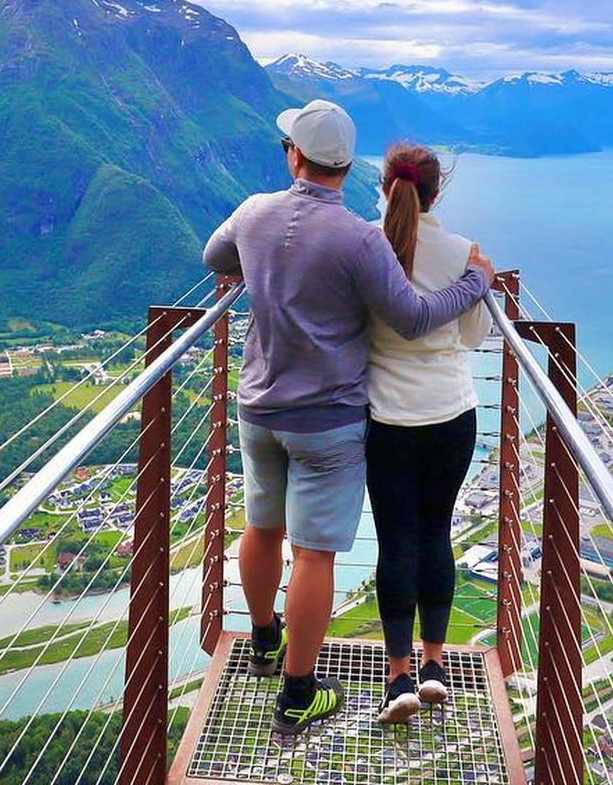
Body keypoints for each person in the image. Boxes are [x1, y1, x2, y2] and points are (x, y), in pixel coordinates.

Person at [204, 99, 495, 735]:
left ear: (295, 155)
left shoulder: (254, 212)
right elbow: (414, 319)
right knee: (314, 554)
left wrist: (252, 267)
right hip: (330, 417)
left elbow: (214, 258)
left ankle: (262, 640)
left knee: (260, 526)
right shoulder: (360, 239)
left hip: (258, 404)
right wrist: (476, 283)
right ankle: (299, 691)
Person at [362, 143, 488, 724]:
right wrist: (473, 279)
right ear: (438, 192)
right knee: (438, 534)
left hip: (387, 418)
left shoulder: (365, 244)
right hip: (453, 414)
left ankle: (398, 678)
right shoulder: (464, 253)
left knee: (396, 541)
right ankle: (436, 664)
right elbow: (471, 338)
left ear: (386, 185)